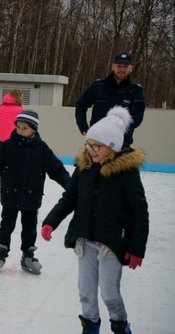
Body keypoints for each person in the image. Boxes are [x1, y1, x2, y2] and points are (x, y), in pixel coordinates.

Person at [41, 106, 148, 334]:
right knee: (85, 291)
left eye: (95, 146)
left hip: (112, 242)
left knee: (109, 293)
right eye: (88, 145)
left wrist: (137, 247)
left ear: (111, 147)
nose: (90, 150)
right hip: (85, 237)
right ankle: (90, 326)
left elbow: (140, 212)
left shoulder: (126, 173)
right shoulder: (85, 167)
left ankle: (120, 325)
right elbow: (70, 197)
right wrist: (52, 220)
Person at [0, 110, 70, 274]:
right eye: (18, 127)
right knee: (6, 225)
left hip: (32, 196)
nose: (20, 130)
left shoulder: (42, 149)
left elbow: (57, 169)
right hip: (10, 194)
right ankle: (1, 251)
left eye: (24, 128)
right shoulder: (8, 146)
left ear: (34, 129)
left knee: (30, 227)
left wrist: (70, 185)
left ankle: (28, 255)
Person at [75, 53, 145, 149]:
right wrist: (83, 128)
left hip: (121, 145)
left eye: (125, 66)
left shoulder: (136, 90)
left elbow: (138, 116)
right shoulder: (98, 86)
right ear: (113, 67)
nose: (121, 69)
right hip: (96, 144)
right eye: (119, 66)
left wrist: (119, 131)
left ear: (131, 69)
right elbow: (81, 105)